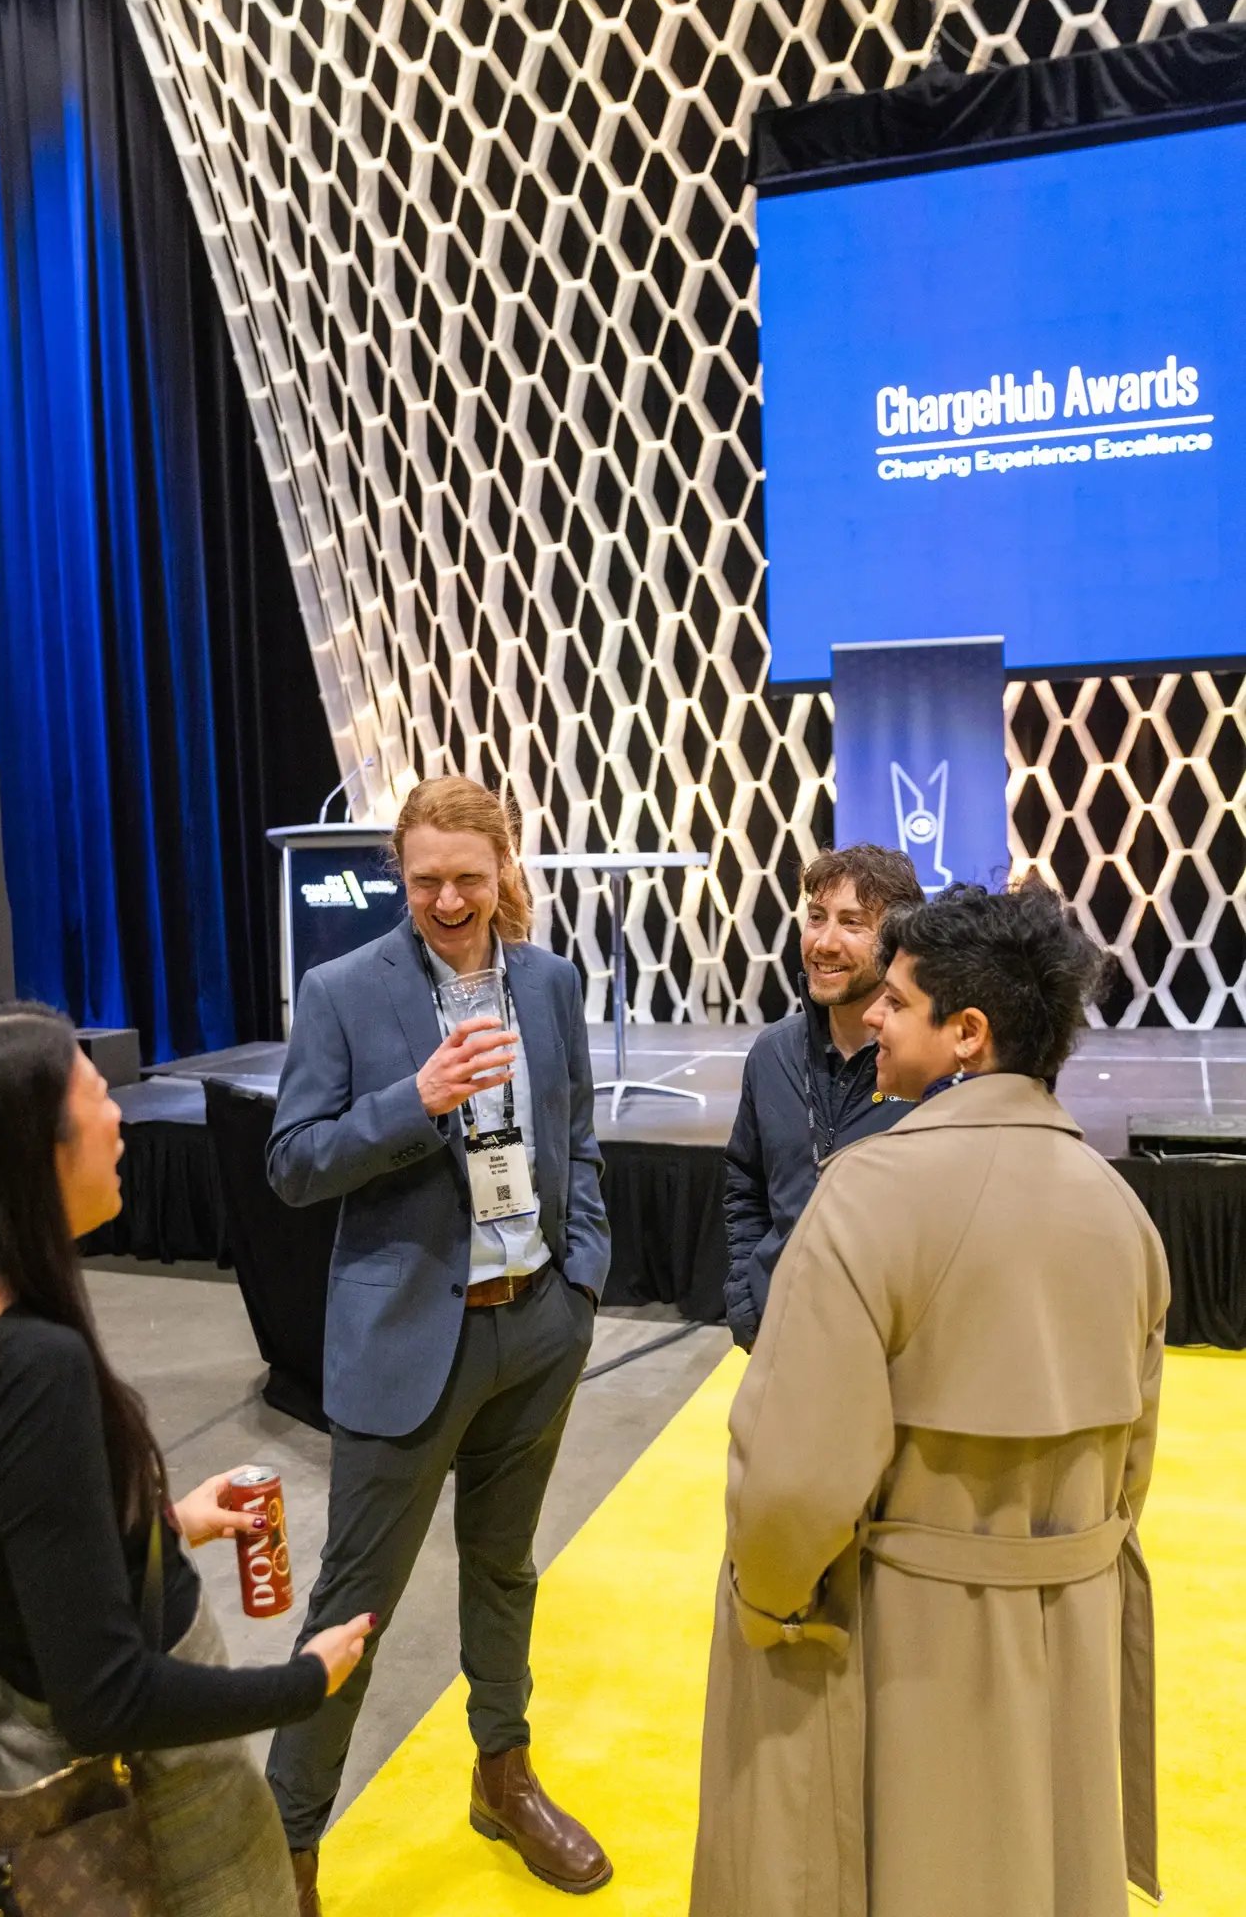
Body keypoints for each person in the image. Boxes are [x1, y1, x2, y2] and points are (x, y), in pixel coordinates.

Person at [692, 883, 1170, 1917]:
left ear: (966, 1033)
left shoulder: (866, 1192)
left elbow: (789, 1482)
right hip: (1067, 1638)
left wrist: (771, 1604)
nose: (871, 1014)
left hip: (899, 1651)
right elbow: (1130, 1462)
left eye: (896, 1002)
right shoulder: (1122, 1211)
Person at [0, 1003, 374, 1917]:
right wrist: (303, 1681)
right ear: (29, 1151)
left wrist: (153, 1526)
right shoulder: (34, 1369)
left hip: (8, 1726)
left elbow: (9, 1549)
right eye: (96, 1100)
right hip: (142, 1800)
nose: (122, 1115)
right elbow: (106, 1697)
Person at [265, 775, 612, 1913]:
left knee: (505, 1567)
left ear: (505, 865)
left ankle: (500, 1772)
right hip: (406, 1340)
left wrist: (579, 1282)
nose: (448, 899)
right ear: (396, 872)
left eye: (469, 876)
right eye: (424, 880)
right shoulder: (342, 990)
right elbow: (294, 1162)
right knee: (350, 1604)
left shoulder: (550, 981)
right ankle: (286, 1846)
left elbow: (578, 1135)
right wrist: (410, 1101)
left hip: (534, 1327)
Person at [723, 845, 924, 1349]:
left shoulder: (929, 1069)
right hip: (779, 1339)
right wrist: (750, 1302)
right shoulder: (773, 1052)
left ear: (895, 940)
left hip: (891, 1356)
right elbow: (745, 1186)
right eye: (816, 917)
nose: (824, 942)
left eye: (852, 923)